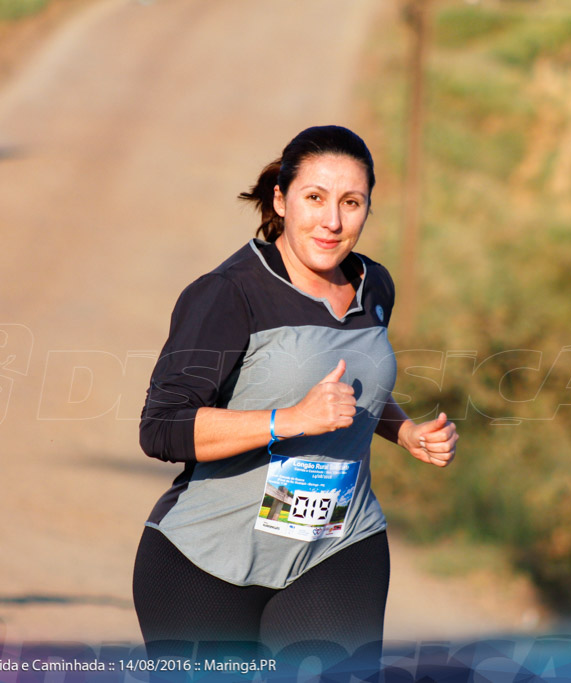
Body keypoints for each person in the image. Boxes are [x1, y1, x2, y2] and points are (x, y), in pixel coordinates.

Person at [133, 126, 458, 669]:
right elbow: (161, 427)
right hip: (208, 563)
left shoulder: (374, 284)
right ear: (281, 200)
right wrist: (291, 420)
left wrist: (401, 429)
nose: (332, 221)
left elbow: (352, 383)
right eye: (315, 198)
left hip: (336, 548)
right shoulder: (228, 294)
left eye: (351, 203)